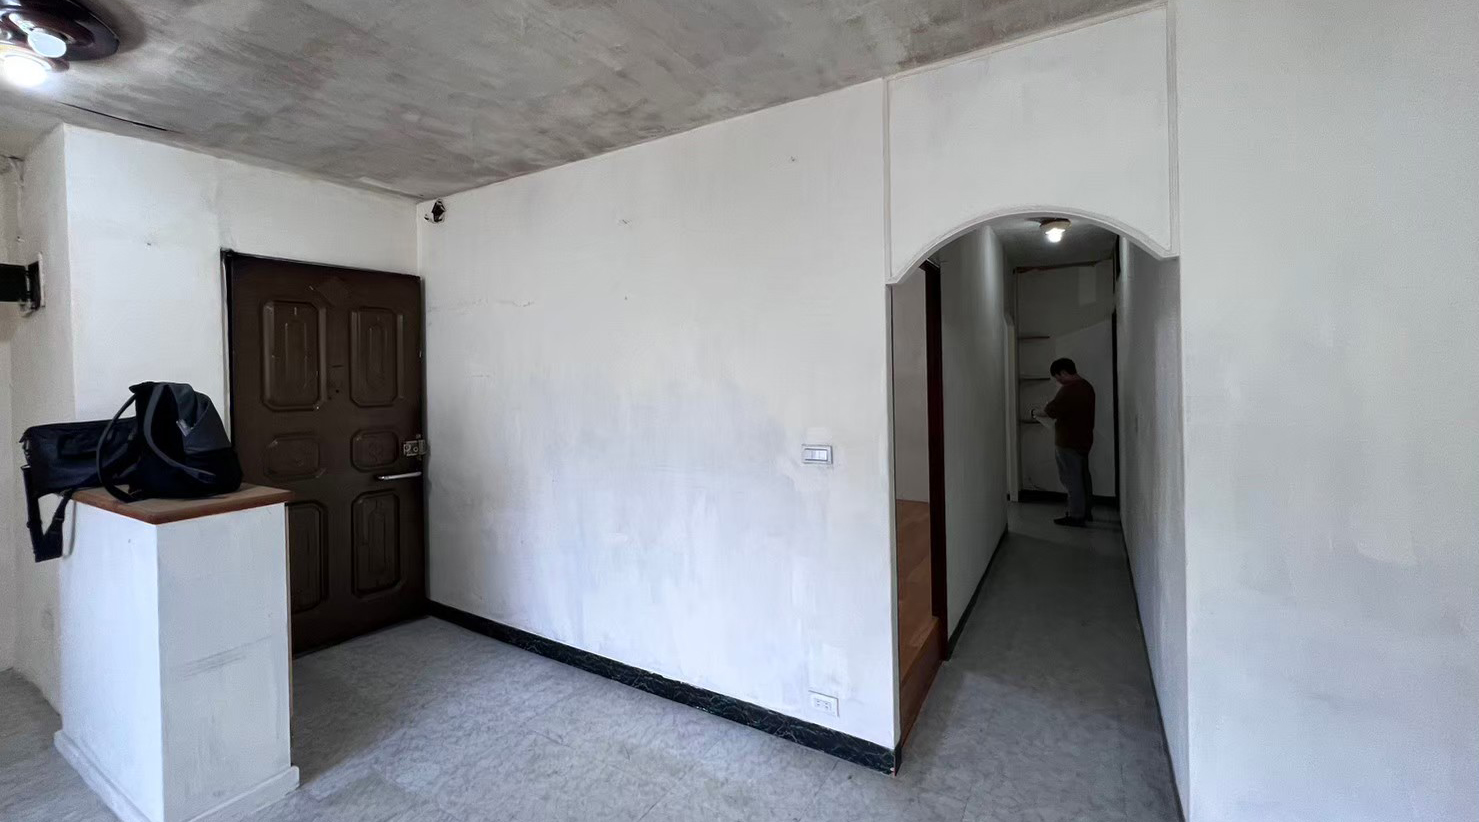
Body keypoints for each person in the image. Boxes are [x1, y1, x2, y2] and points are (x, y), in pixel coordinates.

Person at [1035, 358, 1095, 527]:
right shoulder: (1087, 387)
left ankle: (1076, 515)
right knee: (1083, 478)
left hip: (1068, 442)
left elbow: (1050, 411)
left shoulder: (1069, 390)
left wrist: (1036, 412)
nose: (1058, 381)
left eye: (1058, 377)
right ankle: (1086, 511)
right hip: (1084, 440)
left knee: (1071, 480)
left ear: (1063, 372)